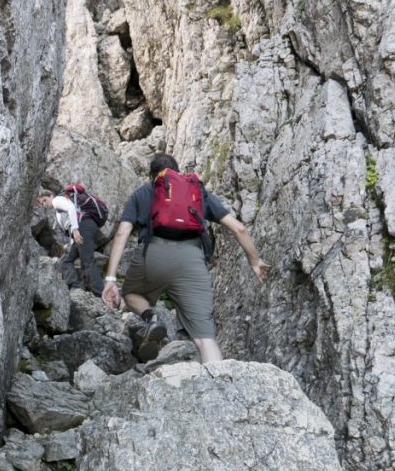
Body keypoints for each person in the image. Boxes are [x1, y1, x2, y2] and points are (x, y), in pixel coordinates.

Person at [101, 153, 269, 363]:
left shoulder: (141, 193)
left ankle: (151, 317)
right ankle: (221, 385)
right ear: (177, 173)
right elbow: (239, 228)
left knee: (131, 292)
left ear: (152, 176)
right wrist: (255, 261)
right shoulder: (196, 192)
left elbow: (121, 233)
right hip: (192, 260)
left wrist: (110, 279)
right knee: (204, 337)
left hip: (153, 254)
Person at [38, 188, 105, 296]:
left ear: (51, 195)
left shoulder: (57, 200)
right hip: (82, 230)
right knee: (65, 261)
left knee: (87, 261)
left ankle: (101, 294)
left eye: (45, 200)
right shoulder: (58, 209)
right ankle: (76, 288)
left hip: (83, 228)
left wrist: (74, 229)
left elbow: (71, 208)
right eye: (42, 203)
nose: (44, 204)